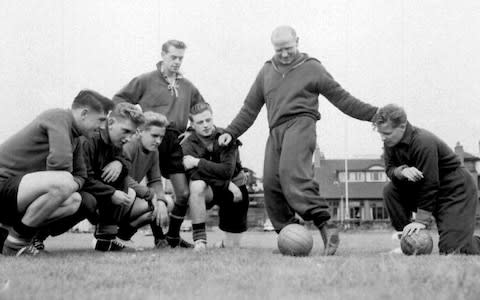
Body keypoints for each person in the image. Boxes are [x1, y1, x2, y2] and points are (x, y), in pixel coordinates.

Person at [218, 25, 379, 255]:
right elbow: (249, 108)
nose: (284, 54)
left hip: (301, 123)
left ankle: (327, 225)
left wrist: (374, 114)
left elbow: (343, 99)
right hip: (276, 130)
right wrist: (231, 132)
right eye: (279, 49)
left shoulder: (312, 68)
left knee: (291, 173)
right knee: (272, 184)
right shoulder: (266, 71)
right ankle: (289, 235)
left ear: (298, 42)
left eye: (288, 48)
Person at [113, 39, 205, 248]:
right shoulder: (146, 80)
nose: (177, 62)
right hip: (148, 136)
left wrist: (191, 129)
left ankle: (172, 236)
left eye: (180, 58)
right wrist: (136, 119)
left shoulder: (187, 85)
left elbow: (202, 108)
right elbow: (119, 98)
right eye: (173, 57)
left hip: (174, 140)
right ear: (163, 55)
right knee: (145, 184)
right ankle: (157, 238)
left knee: (182, 193)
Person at [0, 90, 113, 256]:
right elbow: (60, 167)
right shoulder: (58, 117)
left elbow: (82, 175)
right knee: (64, 182)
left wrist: (72, 182)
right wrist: (71, 181)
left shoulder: (75, 138)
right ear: (84, 113)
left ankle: (14, 239)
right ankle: (15, 242)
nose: (103, 127)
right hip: (4, 184)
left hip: (17, 193)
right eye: (101, 119)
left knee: (74, 200)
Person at [375, 104, 480, 254]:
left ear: (402, 126)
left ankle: (464, 240)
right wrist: (402, 171)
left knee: (453, 250)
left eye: (387, 133)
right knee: (390, 190)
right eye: (380, 134)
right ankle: (406, 240)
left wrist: (421, 220)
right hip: (428, 189)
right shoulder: (390, 143)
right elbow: (390, 168)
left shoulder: (423, 142)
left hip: (455, 191)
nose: (383, 138)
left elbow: (429, 183)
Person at [182, 103, 249, 251]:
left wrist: (197, 162)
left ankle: (224, 243)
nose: (205, 125)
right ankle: (200, 240)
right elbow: (194, 174)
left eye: (208, 120)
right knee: (196, 185)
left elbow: (227, 171)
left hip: (236, 187)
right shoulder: (187, 144)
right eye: (200, 122)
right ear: (192, 124)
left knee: (233, 246)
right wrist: (227, 185)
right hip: (212, 190)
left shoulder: (225, 136)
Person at [81, 102, 145, 252]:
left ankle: (105, 239)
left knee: (120, 178)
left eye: (132, 133)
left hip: (93, 191)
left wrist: (120, 163)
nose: (128, 138)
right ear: (111, 122)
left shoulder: (115, 143)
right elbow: (82, 177)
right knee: (85, 201)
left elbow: (127, 162)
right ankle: (36, 237)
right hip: (74, 190)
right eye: (126, 131)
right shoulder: (89, 140)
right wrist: (110, 193)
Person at [116, 111, 171, 249]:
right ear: (140, 131)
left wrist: (160, 200)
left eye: (161, 137)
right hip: (114, 198)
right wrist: (149, 194)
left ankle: (123, 236)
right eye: (154, 136)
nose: (158, 141)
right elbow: (121, 178)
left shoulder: (154, 151)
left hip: (129, 199)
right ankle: (108, 235)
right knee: (138, 195)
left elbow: (155, 180)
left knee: (165, 202)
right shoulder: (129, 145)